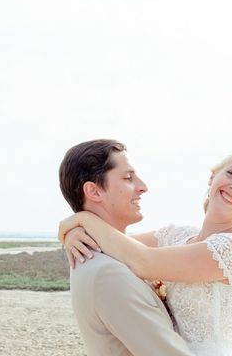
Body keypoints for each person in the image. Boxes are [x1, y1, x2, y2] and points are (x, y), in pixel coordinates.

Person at [59, 145, 232, 356]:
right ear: (212, 177)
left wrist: (82, 219)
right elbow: (115, 245)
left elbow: (142, 261)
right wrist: (71, 233)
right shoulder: (177, 236)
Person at [58, 139, 193, 356]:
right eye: (128, 178)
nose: (143, 187)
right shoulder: (107, 273)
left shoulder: (108, 256)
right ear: (93, 191)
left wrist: (75, 225)